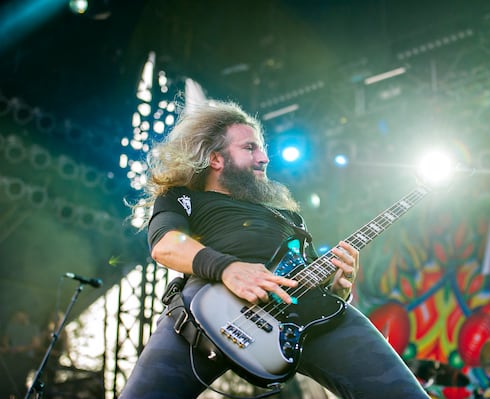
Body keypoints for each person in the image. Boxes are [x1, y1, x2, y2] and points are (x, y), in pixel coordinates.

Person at [119, 100, 429, 399]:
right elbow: (166, 244)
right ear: (216, 159)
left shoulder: (289, 218)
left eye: (263, 148)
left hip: (300, 315)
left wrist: (337, 290)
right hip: (207, 309)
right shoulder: (183, 198)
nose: (264, 157)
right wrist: (227, 268)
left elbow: (303, 277)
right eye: (250, 147)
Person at [0, 309, 42, 398]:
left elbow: (36, 344)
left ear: (26, 315)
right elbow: (5, 339)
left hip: (26, 359)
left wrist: (22, 349)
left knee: (20, 381)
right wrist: (7, 348)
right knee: (6, 380)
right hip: (12, 358)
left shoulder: (33, 328)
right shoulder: (12, 327)